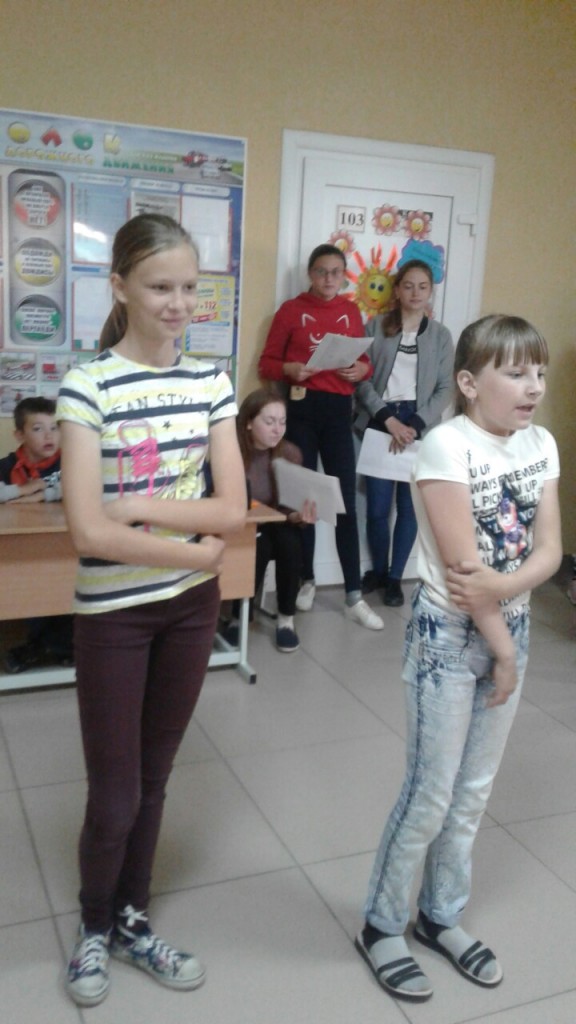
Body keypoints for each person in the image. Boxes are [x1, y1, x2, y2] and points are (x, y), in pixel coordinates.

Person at [56, 213, 246, 1008]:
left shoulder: (211, 382)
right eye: (160, 286)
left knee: (156, 778)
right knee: (115, 795)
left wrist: (136, 509)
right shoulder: (87, 386)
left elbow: (231, 507)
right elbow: (87, 532)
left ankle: (132, 919)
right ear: (120, 287)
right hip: (115, 616)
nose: (178, 303)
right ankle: (94, 924)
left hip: (188, 614)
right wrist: (196, 553)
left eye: (189, 288)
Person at [356, 314, 561, 1002]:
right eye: (516, 372)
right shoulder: (446, 445)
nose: (533, 387)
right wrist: (504, 650)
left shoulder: (541, 443)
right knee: (430, 794)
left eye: (539, 372)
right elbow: (464, 575)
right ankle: (381, 925)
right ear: (470, 383)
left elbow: (550, 551)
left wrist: (507, 595)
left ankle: (440, 916)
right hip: (448, 640)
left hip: (512, 628)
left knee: (473, 794)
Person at [259, 243, 383, 630]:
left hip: (338, 413)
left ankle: (353, 595)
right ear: (310, 275)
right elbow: (267, 363)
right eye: (321, 271)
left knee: (344, 501)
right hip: (301, 409)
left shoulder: (351, 311)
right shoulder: (291, 310)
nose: (329, 279)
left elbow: (364, 363)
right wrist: (290, 369)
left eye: (335, 272)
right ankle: (307, 579)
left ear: (344, 276)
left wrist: (361, 371)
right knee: (305, 500)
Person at [355, 260, 454, 606]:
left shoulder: (440, 335)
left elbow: (445, 389)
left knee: (409, 509)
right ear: (397, 290)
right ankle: (379, 571)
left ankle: (396, 578)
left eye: (422, 287)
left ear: (430, 292)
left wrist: (414, 424)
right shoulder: (375, 326)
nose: (415, 293)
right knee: (377, 509)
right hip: (381, 422)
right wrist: (388, 420)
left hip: (418, 427)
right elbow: (362, 381)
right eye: (408, 285)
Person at [228, 386, 316, 653]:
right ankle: (238, 617)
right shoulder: (232, 453)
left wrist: (299, 516)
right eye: (269, 422)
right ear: (248, 423)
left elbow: (287, 508)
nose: (278, 429)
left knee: (290, 541)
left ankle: (286, 619)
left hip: (277, 524)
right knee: (259, 544)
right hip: (242, 525)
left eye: (282, 422)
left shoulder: (290, 453)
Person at [0, 396, 73, 672]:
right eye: (38, 429)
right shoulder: (7, 466)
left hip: (63, 545)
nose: (49, 436)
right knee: (28, 586)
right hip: (20, 546)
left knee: (63, 583)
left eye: (55, 428)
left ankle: (55, 645)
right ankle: (43, 644)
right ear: (20, 434)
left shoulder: (69, 462)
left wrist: (46, 493)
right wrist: (23, 489)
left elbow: (84, 487)